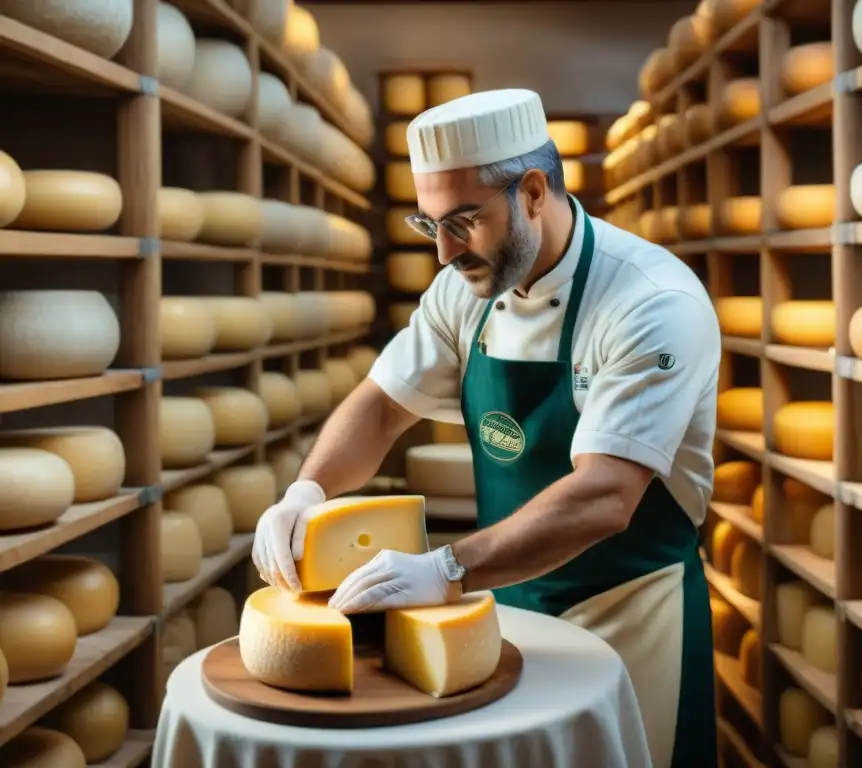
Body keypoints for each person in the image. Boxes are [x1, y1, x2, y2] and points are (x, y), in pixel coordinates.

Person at [252, 89, 721, 768]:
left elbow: (604, 496)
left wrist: (446, 568)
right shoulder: (464, 288)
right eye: (428, 223)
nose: (443, 252)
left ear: (533, 191)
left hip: (631, 612)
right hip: (501, 600)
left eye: (464, 221)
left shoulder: (651, 302)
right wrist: (308, 490)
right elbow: (383, 404)